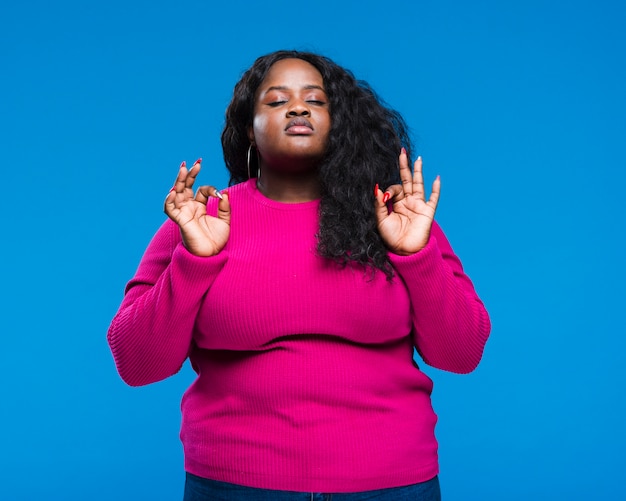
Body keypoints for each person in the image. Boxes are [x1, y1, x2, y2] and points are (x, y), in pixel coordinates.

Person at [107, 50, 491, 500]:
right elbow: (137, 364)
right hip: (234, 485)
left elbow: (461, 354)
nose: (297, 108)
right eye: (275, 101)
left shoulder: (396, 216)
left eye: (316, 100)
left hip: (391, 484)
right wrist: (193, 261)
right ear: (249, 128)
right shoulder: (201, 221)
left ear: (340, 123)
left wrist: (417, 255)